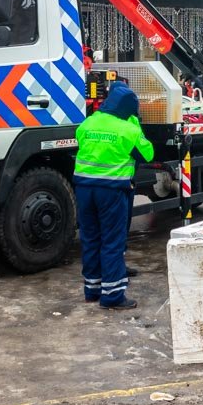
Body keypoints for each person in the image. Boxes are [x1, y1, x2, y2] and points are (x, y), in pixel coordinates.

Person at [73, 83, 154, 309]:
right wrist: (135, 125)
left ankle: (92, 289)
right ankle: (113, 296)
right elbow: (147, 154)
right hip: (111, 191)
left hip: (83, 189)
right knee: (112, 242)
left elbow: (81, 143)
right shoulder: (128, 129)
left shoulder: (88, 123)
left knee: (90, 238)